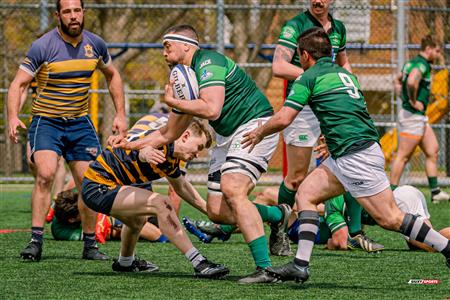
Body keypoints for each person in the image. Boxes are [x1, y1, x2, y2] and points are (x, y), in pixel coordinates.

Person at [241, 28, 450, 284]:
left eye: (298, 55)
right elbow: (350, 112)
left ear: (305, 55)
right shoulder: (344, 75)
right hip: (349, 151)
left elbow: (285, 117)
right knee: (306, 194)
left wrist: (259, 132)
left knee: (390, 218)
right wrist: (333, 139)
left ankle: (447, 249)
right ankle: (300, 265)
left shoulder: (308, 78)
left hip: (355, 155)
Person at [118, 24, 292, 284]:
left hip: (254, 125)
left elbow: (211, 109)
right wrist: (131, 144)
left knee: (233, 190)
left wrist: (174, 103)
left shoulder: (209, 61)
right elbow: (168, 134)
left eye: (168, 46)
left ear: (186, 46)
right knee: (216, 212)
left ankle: (265, 270)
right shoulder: (185, 80)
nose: (163, 52)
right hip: (226, 136)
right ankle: (278, 215)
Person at [7, 0, 127, 262]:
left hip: (79, 122)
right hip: (46, 121)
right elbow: (18, 84)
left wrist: (120, 114)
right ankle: (35, 242)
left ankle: (90, 245)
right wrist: (13, 117)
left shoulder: (95, 44)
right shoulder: (43, 46)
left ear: (83, 13)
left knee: (89, 183)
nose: (73, 16)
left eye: (77, 11)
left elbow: (113, 75)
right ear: (58, 15)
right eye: (67, 11)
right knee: (46, 174)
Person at [272, 0, 377, 253]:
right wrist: (316, 78)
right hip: (303, 103)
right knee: (296, 178)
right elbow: (278, 66)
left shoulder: (339, 28)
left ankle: (354, 232)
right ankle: (279, 232)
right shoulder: (295, 25)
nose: (319, 1)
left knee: (348, 160)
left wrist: (353, 90)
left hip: (334, 101)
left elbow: (344, 64)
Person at [82, 118, 229, 277]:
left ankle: (125, 263)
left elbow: (182, 187)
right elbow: (143, 150)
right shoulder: (161, 143)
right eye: (198, 146)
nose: (198, 153)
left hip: (106, 186)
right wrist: (146, 152)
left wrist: (211, 212)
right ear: (185, 136)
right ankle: (199, 263)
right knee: (162, 203)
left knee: (138, 220)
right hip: (97, 186)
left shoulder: (172, 158)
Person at [390, 35, 449, 203]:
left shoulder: (412, 62)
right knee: (403, 156)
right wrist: (412, 101)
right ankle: (390, 194)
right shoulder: (422, 64)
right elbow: (410, 82)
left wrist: (400, 94)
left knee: (433, 150)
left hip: (419, 118)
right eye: (437, 51)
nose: (437, 55)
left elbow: (398, 80)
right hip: (413, 117)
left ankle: (435, 191)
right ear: (428, 49)